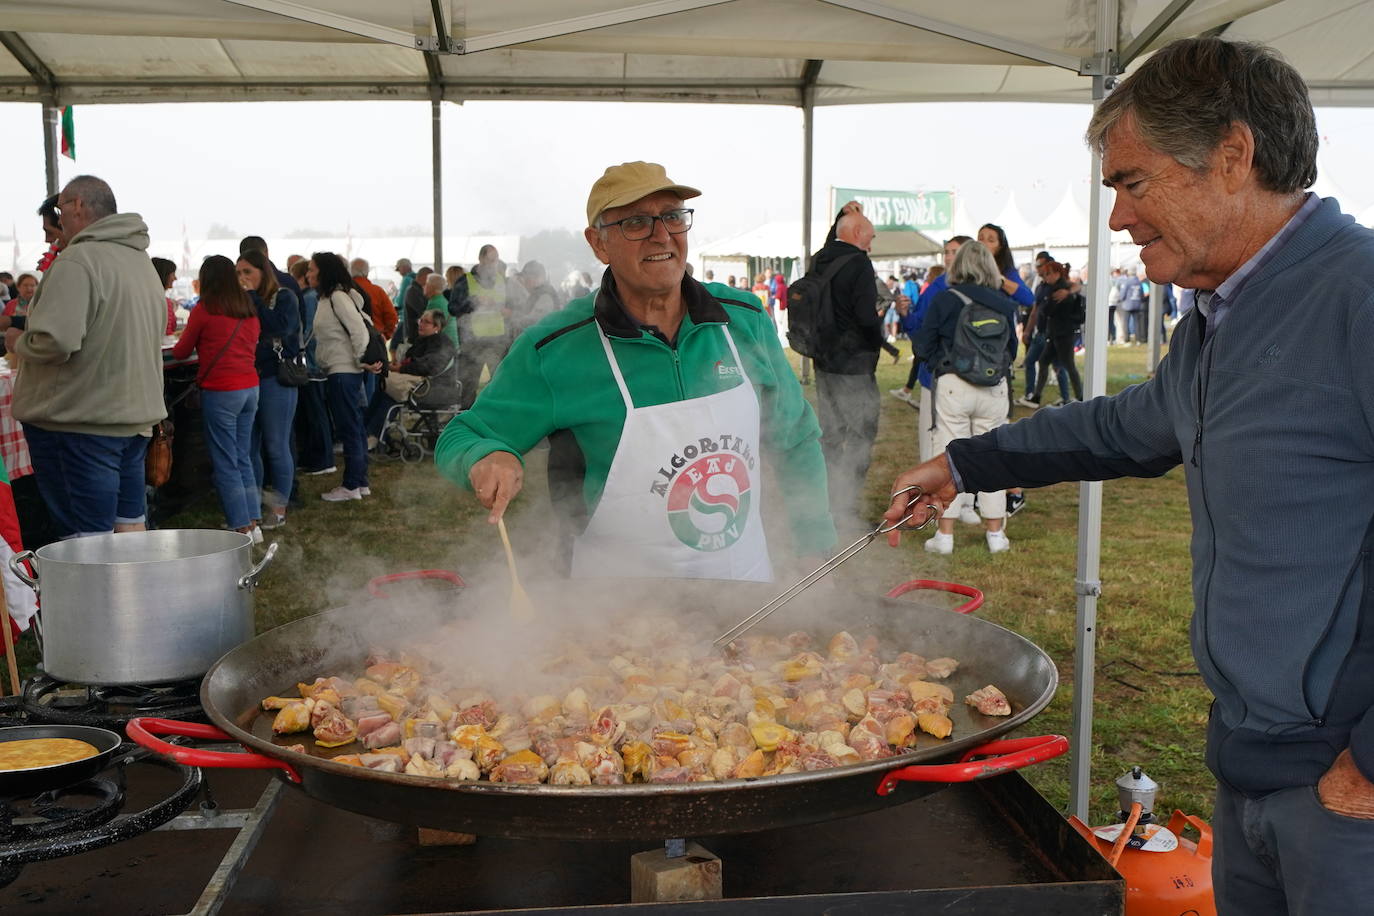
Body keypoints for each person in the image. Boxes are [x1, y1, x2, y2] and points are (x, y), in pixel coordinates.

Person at [883, 37, 1374, 916]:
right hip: (1254, 768)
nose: (1117, 219)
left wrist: (1365, 770)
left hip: (1346, 798)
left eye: (1133, 183)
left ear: (1233, 156)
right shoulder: (1220, 317)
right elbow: (1125, 428)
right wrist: (964, 462)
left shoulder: (1359, 297)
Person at [435, 160, 835, 581]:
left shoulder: (743, 319)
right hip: (619, 603)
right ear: (599, 243)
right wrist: (486, 455)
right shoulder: (556, 347)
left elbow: (796, 438)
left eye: (673, 217)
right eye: (636, 223)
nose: (661, 235)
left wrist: (814, 542)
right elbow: (463, 434)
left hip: (744, 588)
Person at [4, 175, 165, 539]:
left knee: (85, 542)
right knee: (130, 528)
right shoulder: (139, 260)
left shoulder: (78, 260)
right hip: (133, 421)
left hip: (79, 423)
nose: (59, 221)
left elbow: (55, 342)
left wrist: (17, 341)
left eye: (60, 209)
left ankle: (92, 581)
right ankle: (132, 580)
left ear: (77, 206)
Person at [911, 240, 1016, 554]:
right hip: (994, 387)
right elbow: (1011, 350)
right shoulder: (1004, 303)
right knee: (993, 456)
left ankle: (945, 535)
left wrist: (940, 364)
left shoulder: (946, 299)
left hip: (953, 385)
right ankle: (995, 533)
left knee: (949, 457)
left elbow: (923, 344)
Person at [806, 209, 888, 530]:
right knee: (860, 436)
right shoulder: (858, 263)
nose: (872, 242)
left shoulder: (820, 258)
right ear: (856, 233)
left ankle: (826, 504)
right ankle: (847, 508)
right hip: (853, 365)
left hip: (823, 361)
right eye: (870, 235)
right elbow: (866, 317)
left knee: (830, 435)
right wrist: (877, 340)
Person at [171, 256, 262, 540]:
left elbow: (181, 351)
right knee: (242, 456)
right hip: (250, 387)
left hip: (222, 390)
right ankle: (254, 521)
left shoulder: (205, 309)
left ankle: (240, 526)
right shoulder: (247, 308)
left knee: (225, 461)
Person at [237, 248, 300, 530]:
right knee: (250, 448)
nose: (242, 277)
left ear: (263, 272)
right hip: (248, 378)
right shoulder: (241, 301)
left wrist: (253, 298)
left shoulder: (283, 297)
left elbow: (279, 328)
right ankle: (254, 509)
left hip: (276, 377)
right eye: (238, 273)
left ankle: (279, 507)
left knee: (276, 445)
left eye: (247, 272)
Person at [309, 252, 378, 502]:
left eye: (312, 269)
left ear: (324, 271)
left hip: (343, 371)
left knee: (349, 428)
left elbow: (359, 330)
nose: (308, 274)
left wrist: (361, 359)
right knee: (355, 427)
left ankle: (351, 485)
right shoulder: (333, 297)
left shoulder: (338, 297)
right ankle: (360, 482)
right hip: (343, 370)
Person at [364, 308, 460, 441]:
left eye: (426, 322)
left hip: (438, 389)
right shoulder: (425, 340)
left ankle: (373, 435)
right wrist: (400, 365)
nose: (421, 324)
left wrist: (401, 368)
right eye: (421, 320)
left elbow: (429, 366)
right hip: (427, 385)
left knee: (392, 391)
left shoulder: (441, 343)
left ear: (436, 327)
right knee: (384, 387)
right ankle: (368, 432)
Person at [455, 245, 528, 409]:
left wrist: (510, 312)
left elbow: (518, 306)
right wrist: (473, 302)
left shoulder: (504, 282)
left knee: (500, 383)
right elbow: (453, 308)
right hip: (472, 342)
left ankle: (499, 416)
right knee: (468, 386)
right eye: (490, 260)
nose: (494, 264)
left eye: (496, 260)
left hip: (498, 342)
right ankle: (466, 418)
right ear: (481, 259)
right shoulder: (465, 281)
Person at [289, 257, 335, 476]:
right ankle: (315, 457)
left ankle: (322, 459)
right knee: (314, 413)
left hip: (311, 365)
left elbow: (306, 332)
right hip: (316, 363)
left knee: (315, 413)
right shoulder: (314, 297)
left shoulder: (308, 299)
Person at [351, 258, 398, 341]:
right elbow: (392, 317)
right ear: (367, 272)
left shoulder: (344, 291)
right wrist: (385, 335)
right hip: (375, 337)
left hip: (351, 339)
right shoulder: (377, 291)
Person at [516, 260, 561, 333]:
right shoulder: (537, 293)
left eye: (526, 279)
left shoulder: (545, 296)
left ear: (537, 278)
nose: (524, 283)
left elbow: (535, 322)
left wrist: (515, 317)